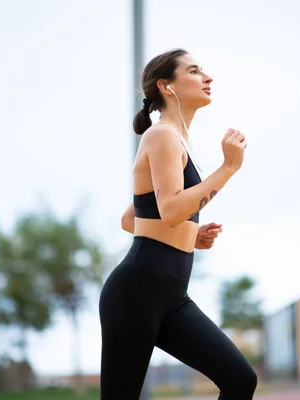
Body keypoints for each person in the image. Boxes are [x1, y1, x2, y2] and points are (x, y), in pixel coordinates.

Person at [98, 48, 257, 399]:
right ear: (166, 86)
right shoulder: (161, 135)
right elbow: (169, 210)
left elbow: (132, 218)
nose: (208, 77)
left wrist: (190, 231)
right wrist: (227, 168)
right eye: (195, 71)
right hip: (136, 293)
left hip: (171, 297)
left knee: (240, 380)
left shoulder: (175, 140)